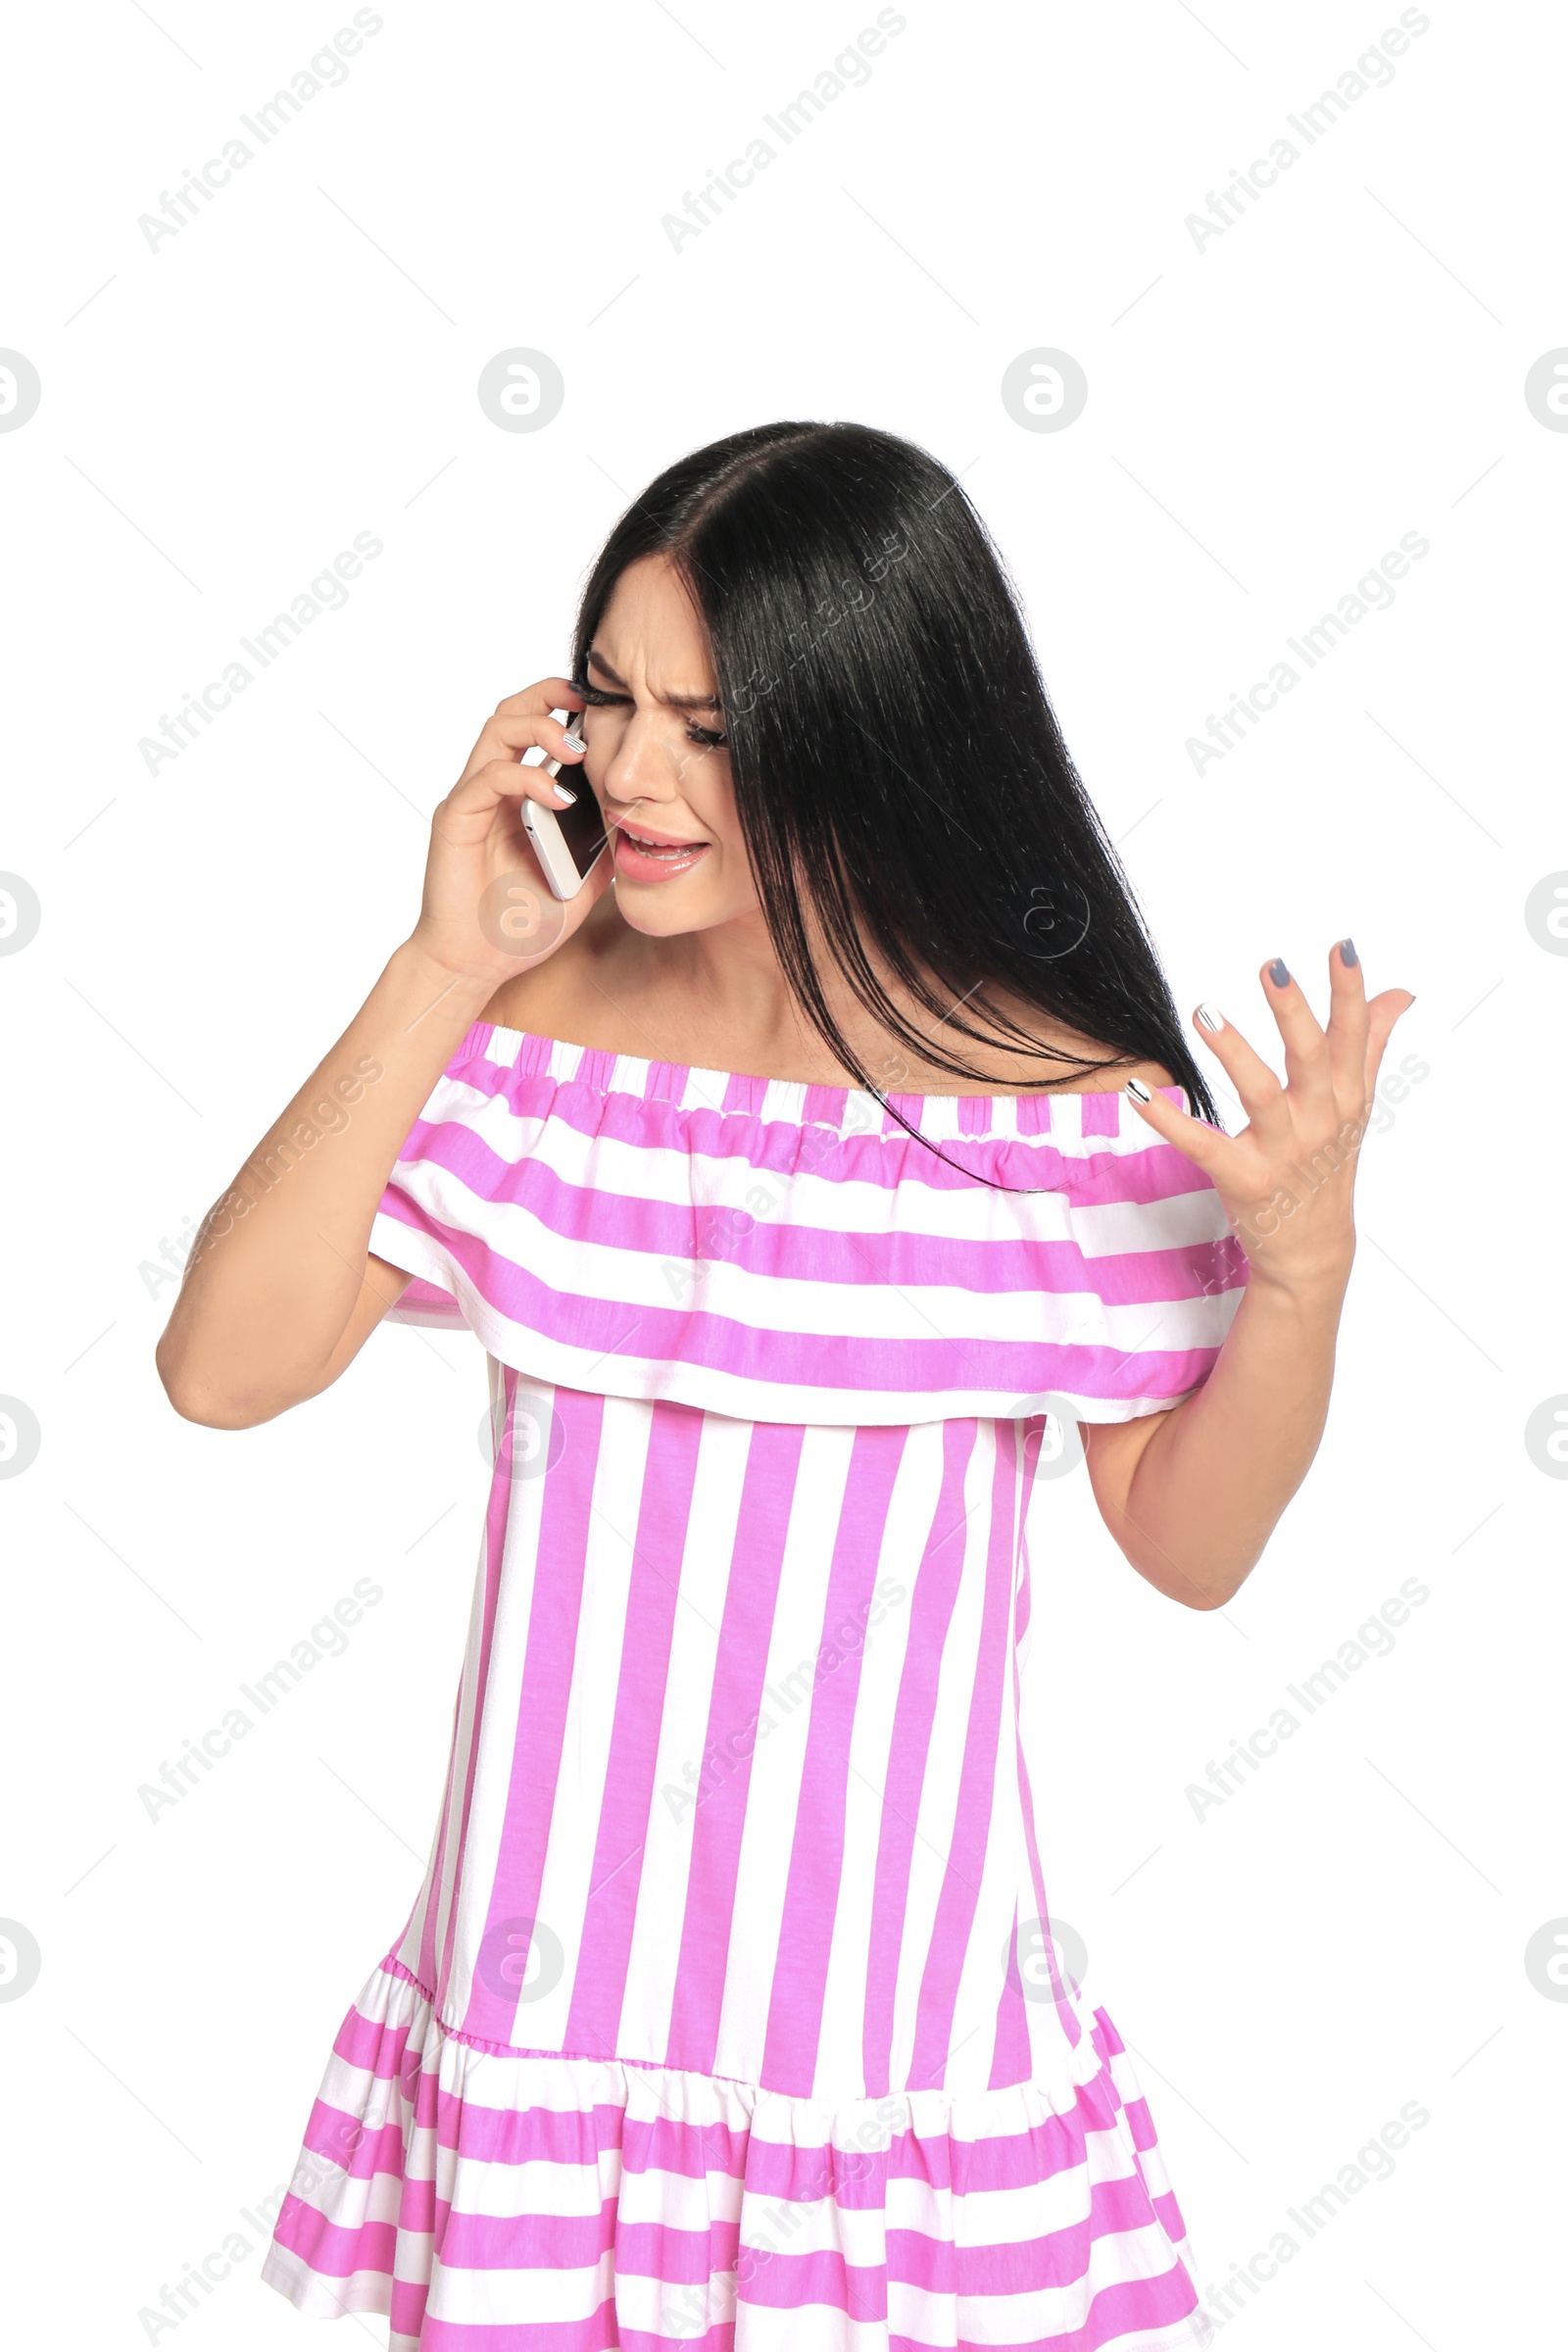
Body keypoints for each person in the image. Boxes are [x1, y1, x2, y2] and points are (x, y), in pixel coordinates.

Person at [156, 420, 1414, 2350]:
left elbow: (1190, 1546)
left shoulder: (1054, 1108)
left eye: (715, 727)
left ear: (872, 728)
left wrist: (1303, 1275)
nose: (637, 777)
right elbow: (220, 1371)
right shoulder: (536, 1039)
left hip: (873, 2048)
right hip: (541, 2020)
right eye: (609, 703)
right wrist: (435, 965)